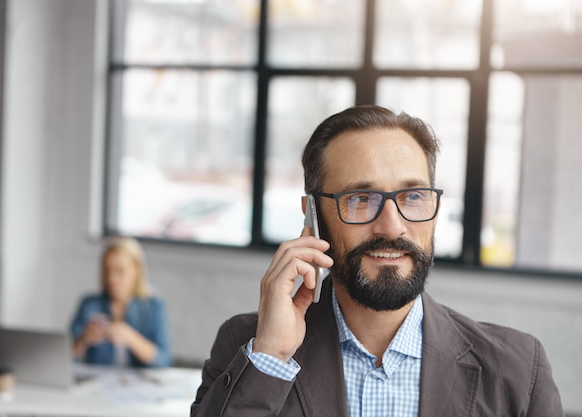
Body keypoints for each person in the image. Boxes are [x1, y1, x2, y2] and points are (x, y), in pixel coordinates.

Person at [190, 105, 563, 416]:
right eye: (360, 199)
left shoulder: (517, 368)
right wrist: (272, 356)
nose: (392, 226)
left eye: (412, 197)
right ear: (313, 216)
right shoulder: (249, 346)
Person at [70, 236, 172, 368]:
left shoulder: (153, 307)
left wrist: (131, 338)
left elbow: (164, 360)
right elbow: (63, 356)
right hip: (99, 384)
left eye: (120, 271)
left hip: (138, 386)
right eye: (107, 270)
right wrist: (83, 340)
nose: (111, 278)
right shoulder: (89, 304)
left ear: (136, 271)